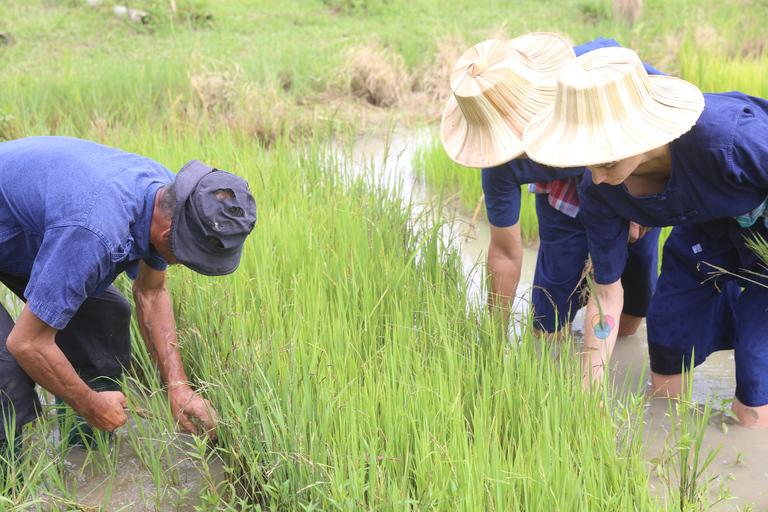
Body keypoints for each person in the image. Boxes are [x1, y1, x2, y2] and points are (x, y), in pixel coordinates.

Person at [522, 46, 768, 427]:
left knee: (755, 384)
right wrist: (590, 392)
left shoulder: (731, 140)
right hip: (704, 239)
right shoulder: (599, 191)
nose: (597, 177)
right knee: (668, 346)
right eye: (587, 162)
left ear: (639, 132)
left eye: (605, 162)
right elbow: (606, 294)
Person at [0, 136, 258, 456]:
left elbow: (151, 291)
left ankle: (86, 458)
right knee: (5, 372)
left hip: (24, 232)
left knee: (104, 319)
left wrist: (178, 388)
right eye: (189, 257)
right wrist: (91, 404)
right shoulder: (95, 229)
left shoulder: (172, 199)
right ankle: (12, 489)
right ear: (169, 235)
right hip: (47, 228)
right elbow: (27, 343)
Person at [441, 34, 660, 336]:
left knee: (634, 297)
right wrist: (492, 340)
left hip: (632, 186)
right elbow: (505, 253)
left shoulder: (599, 66)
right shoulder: (499, 165)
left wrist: (642, 200)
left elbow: (668, 116)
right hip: (564, 204)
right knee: (550, 320)